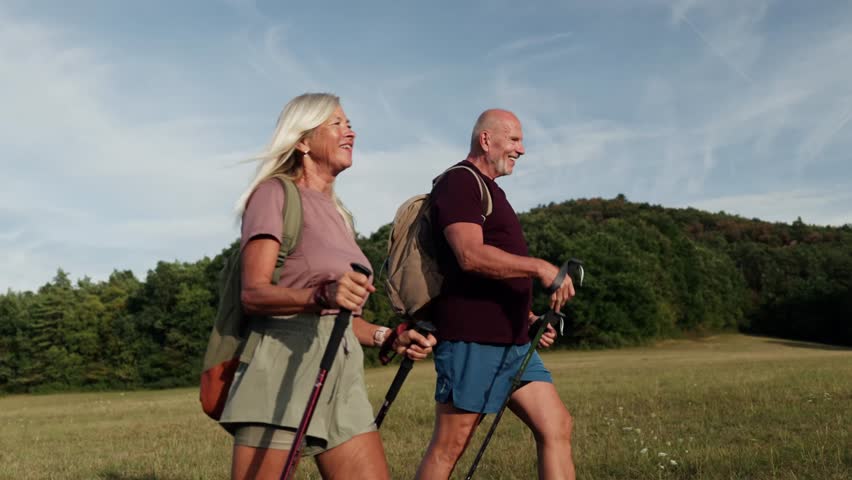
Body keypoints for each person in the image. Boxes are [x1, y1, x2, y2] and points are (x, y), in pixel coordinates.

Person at [219, 93, 437, 480]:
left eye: (349, 123)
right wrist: (320, 295)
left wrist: (388, 336)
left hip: (342, 375)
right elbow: (253, 293)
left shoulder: (340, 216)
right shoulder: (275, 194)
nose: (349, 130)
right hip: (280, 370)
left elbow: (342, 319)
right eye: (335, 123)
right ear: (302, 141)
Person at [415, 109, 577, 480]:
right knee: (450, 447)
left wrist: (529, 319)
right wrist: (539, 267)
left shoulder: (492, 191)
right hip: (473, 340)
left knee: (556, 426)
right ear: (486, 140)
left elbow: (496, 270)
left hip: (514, 341)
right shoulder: (460, 182)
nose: (522, 149)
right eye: (515, 139)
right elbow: (469, 255)